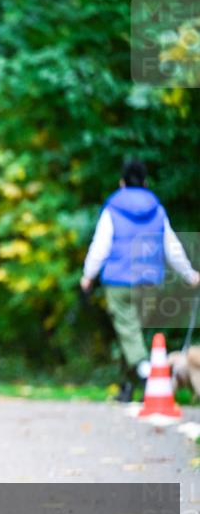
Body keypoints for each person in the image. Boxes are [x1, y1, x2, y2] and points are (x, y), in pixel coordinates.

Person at [80, 158, 200, 402]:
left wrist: (88, 275)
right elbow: (172, 246)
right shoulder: (157, 209)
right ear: (145, 182)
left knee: (128, 332)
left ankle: (149, 375)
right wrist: (189, 274)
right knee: (132, 333)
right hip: (149, 282)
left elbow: (100, 246)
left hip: (118, 280)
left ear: (122, 182)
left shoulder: (113, 208)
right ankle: (126, 389)